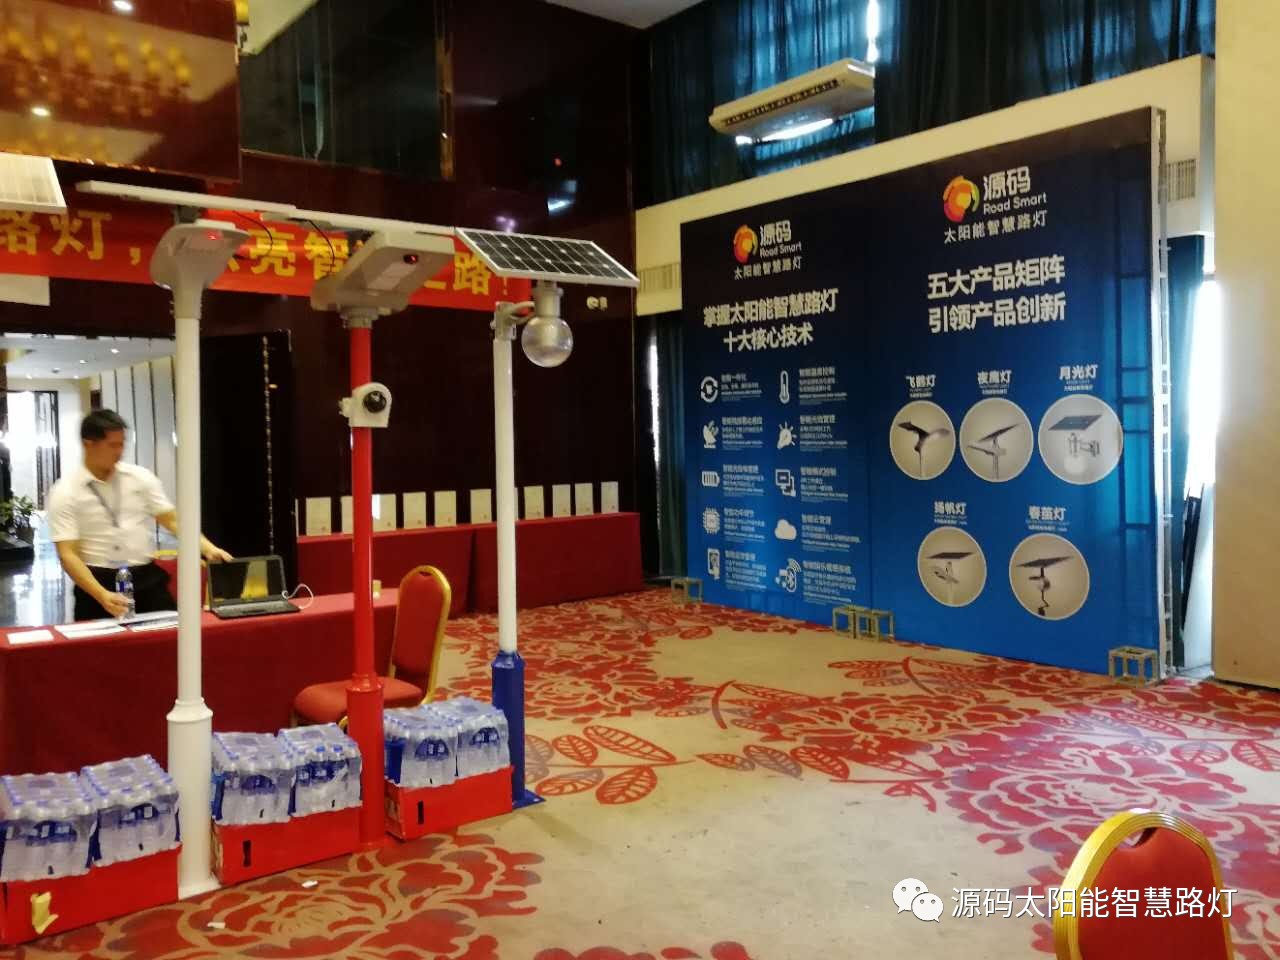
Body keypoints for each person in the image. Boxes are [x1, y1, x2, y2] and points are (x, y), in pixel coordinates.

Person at [48, 409, 232, 621]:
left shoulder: (140, 478)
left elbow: (172, 520)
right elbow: (68, 554)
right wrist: (101, 595)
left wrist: (207, 548)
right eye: (112, 445)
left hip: (146, 579)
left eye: (122, 444)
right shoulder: (65, 491)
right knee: (102, 642)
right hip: (97, 583)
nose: (120, 452)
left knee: (169, 636)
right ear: (88, 444)